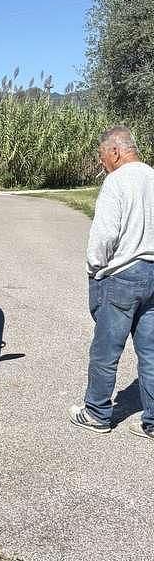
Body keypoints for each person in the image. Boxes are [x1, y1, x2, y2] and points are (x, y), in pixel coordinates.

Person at [69, 125, 154, 440]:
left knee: (106, 350)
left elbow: (104, 235)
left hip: (123, 275)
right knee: (151, 351)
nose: (102, 162)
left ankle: (96, 413)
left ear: (116, 151)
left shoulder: (116, 181)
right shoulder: (152, 176)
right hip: (153, 273)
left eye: (103, 155)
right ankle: (153, 421)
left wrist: (94, 268)